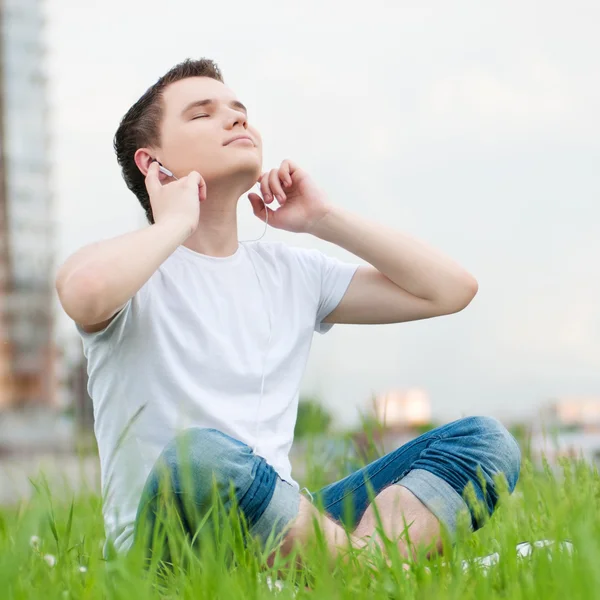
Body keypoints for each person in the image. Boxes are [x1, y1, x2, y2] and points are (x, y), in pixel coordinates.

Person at [56, 58, 520, 562]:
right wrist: (174, 224)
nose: (236, 120)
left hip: (279, 526)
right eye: (202, 114)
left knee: (484, 442)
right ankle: (369, 568)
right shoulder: (129, 268)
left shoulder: (292, 272)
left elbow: (449, 291)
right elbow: (84, 293)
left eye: (239, 110)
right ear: (152, 164)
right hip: (168, 547)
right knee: (201, 457)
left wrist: (323, 218)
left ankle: (362, 565)